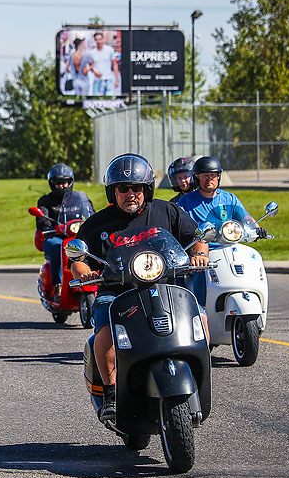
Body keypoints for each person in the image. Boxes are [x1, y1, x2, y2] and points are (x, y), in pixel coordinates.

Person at [70, 154, 209, 423]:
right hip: (116, 292)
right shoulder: (98, 224)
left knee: (200, 318)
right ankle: (111, 393)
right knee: (105, 332)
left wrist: (199, 254)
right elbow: (78, 259)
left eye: (136, 188)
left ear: (146, 189)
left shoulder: (166, 211)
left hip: (165, 286)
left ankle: (199, 382)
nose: (130, 194)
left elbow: (196, 237)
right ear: (114, 191)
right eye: (123, 188)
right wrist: (85, 273)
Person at [177, 156, 265, 305]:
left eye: (213, 176)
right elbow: (179, 225)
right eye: (205, 176)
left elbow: (246, 219)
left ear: (219, 177)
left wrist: (256, 229)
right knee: (201, 272)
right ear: (197, 178)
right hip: (203, 253)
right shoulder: (186, 202)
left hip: (229, 248)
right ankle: (201, 307)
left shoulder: (230, 199)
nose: (209, 179)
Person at [34, 164, 93, 297]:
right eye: (57, 183)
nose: (61, 186)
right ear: (51, 183)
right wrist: (47, 226)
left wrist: (94, 222)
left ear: (70, 181)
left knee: (94, 247)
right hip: (55, 237)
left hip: (77, 237)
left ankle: (98, 280)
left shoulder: (79, 198)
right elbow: (42, 219)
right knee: (58, 247)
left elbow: (90, 213)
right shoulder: (45, 201)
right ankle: (57, 285)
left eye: (64, 182)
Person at [82, 31, 121, 96]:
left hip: (108, 80)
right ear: (94, 41)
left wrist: (117, 79)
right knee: (97, 101)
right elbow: (90, 66)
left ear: (103, 39)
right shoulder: (92, 53)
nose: (99, 41)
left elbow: (114, 64)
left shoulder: (109, 50)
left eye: (100, 39)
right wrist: (95, 72)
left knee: (109, 101)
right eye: (97, 40)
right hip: (97, 81)